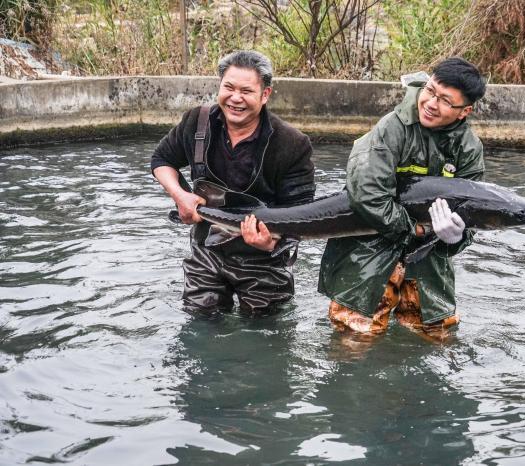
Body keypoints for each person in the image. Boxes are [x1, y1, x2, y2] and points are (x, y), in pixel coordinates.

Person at [318, 57, 486, 341]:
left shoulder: (468, 149)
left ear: (464, 111)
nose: (431, 103)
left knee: (436, 338)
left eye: (445, 100)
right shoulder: (392, 128)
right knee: (355, 339)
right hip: (367, 249)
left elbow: (472, 216)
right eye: (430, 91)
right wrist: (416, 229)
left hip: (428, 259)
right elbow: (366, 194)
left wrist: (454, 237)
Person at [151, 50, 315, 318]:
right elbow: (161, 159)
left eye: (246, 91)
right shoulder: (197, 121)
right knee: (201, 324)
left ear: (265, 95)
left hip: (264, 259)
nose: (235, 98)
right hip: (207, 248)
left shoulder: (293, 143)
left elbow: (302, 213)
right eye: (228, 87)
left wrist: (271, 244)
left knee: (265, 330)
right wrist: (180, 195)